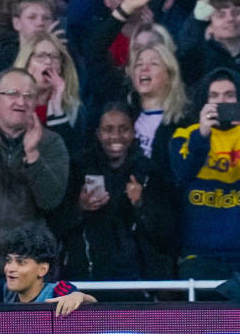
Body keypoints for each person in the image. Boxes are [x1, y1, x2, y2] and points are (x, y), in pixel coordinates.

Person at [169, 67, 240, 278]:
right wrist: (201, 136)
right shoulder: (185, 135)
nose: (221, 102)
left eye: (228, 95)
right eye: (214, 96)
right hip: (200, 255)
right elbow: (181, 175)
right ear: (204, 102)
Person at [0, 67, 68, 279]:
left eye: (28, 96)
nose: (21, 102)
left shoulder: (51, 143)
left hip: (28, 268)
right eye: (13, 94)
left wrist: (32, 154)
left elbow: (50, 200)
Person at [50, 102, 178, 281]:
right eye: (108, 129)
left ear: (133, 133)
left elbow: (166, 232)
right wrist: (80, 206)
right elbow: (57, 223)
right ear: (98, 133)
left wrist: (141, 204)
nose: (116, 136)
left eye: (123, 129)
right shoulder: (79, 167)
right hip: (87, 276)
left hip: (137, 280)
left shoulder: (148, 171)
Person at [0, 222, 93, 314]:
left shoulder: (59, 291)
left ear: (42, 269)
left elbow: (92, 302)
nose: (10, 268)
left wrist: (78, 297)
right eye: (9, 261)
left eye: (20, 262)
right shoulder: (1, 293)